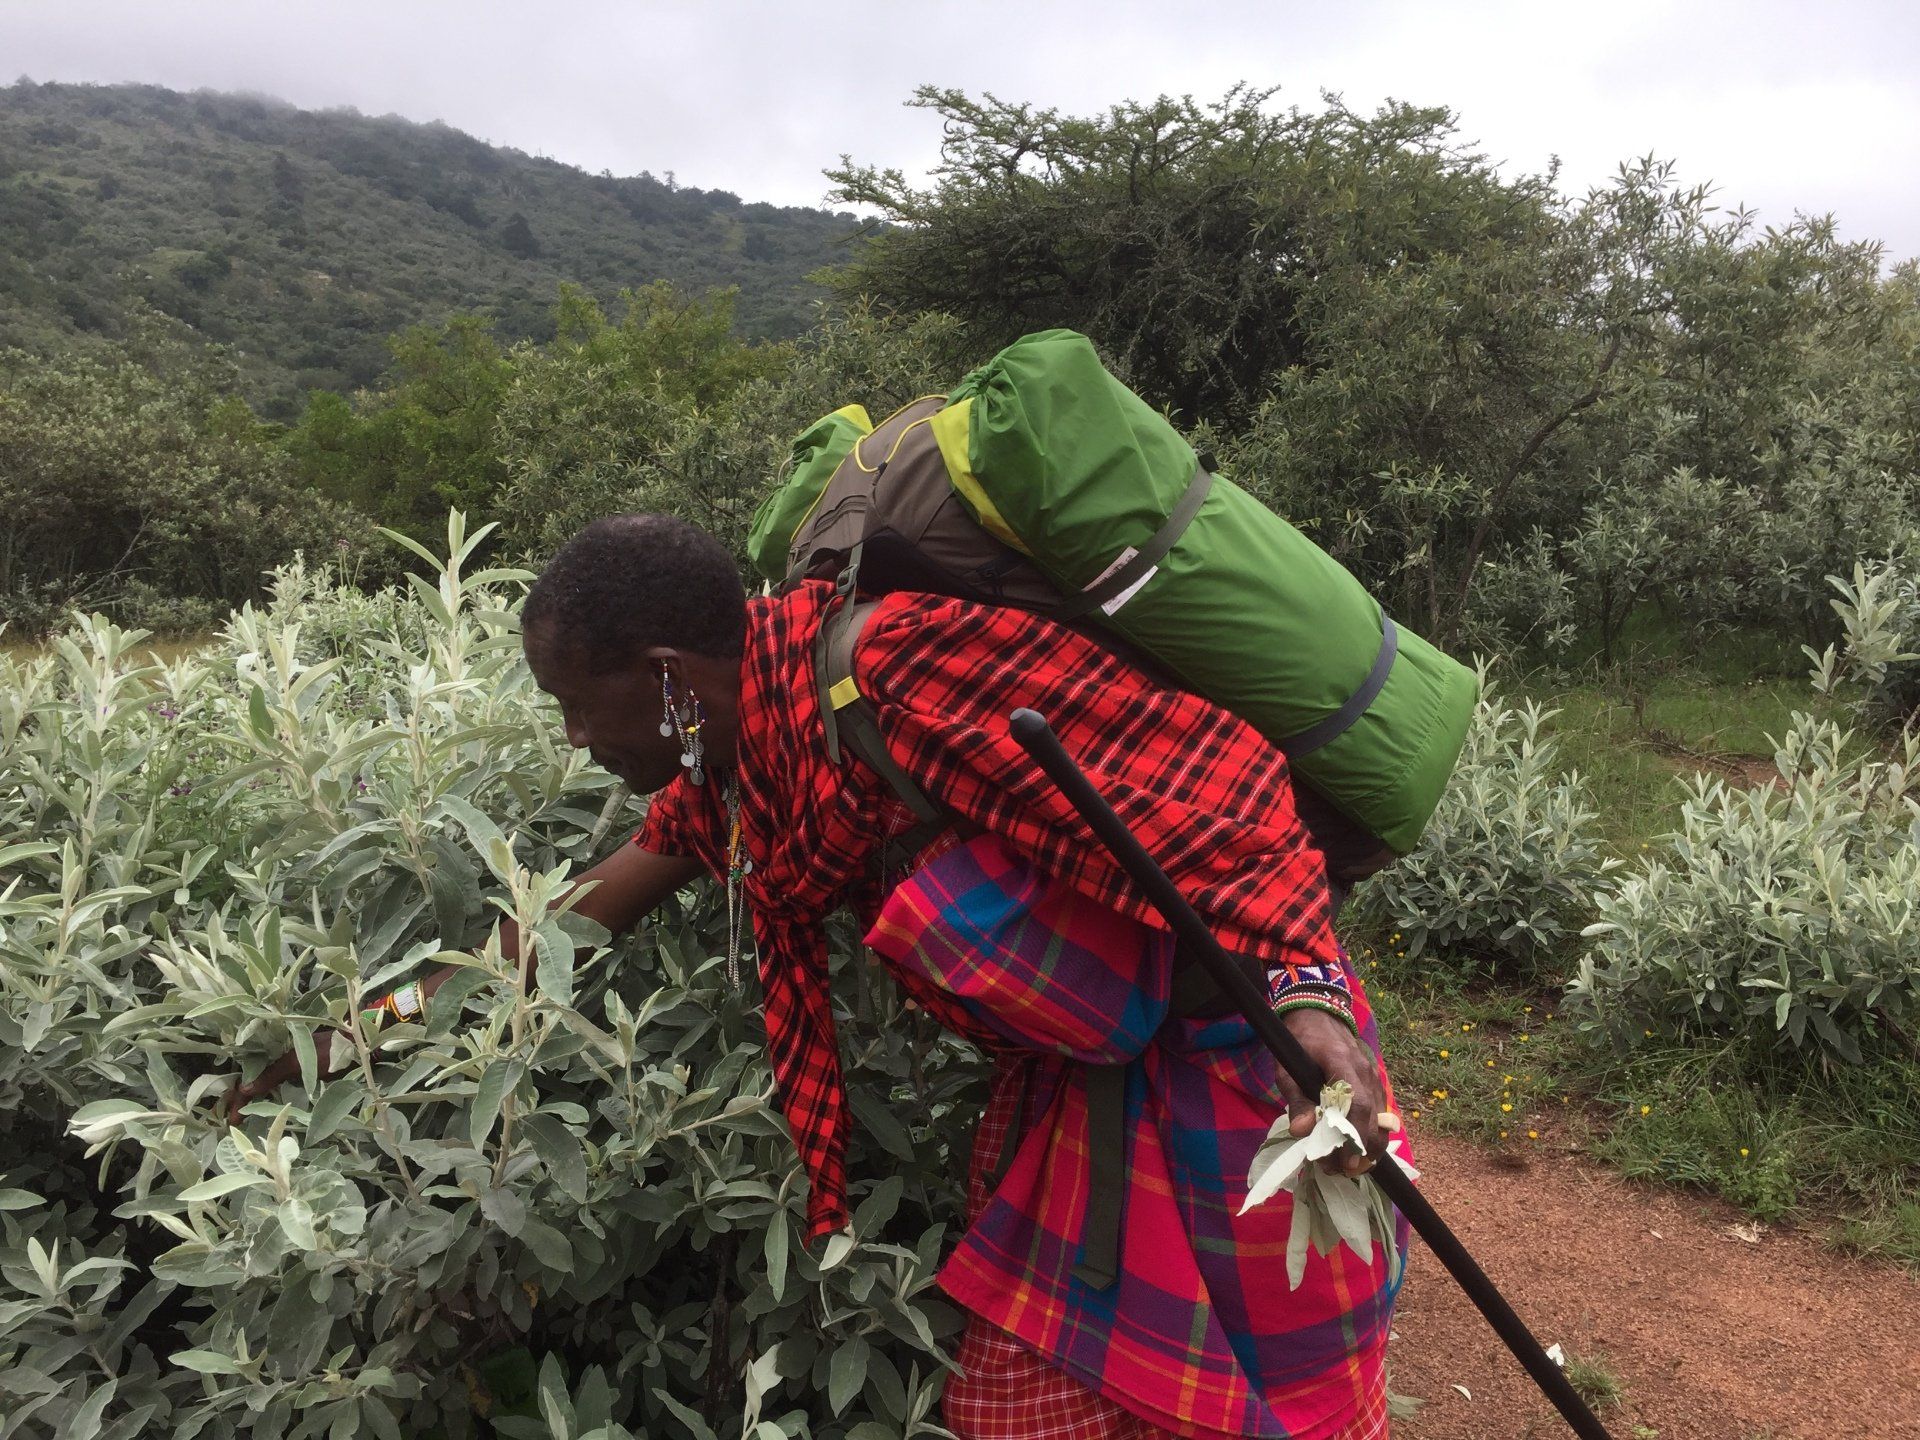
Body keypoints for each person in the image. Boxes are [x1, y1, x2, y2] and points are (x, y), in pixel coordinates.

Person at [230, 512, 1408, 1440]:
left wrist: (1310, 1000)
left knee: (1271, 1405)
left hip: (1243, 1074)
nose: (577, 741)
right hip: (1075, 1095)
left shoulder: (901, 673)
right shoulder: (755, 764)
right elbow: (544, 931)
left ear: (666, 675)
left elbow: (1236, 796)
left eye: (578, 708)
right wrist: (332, 1047)